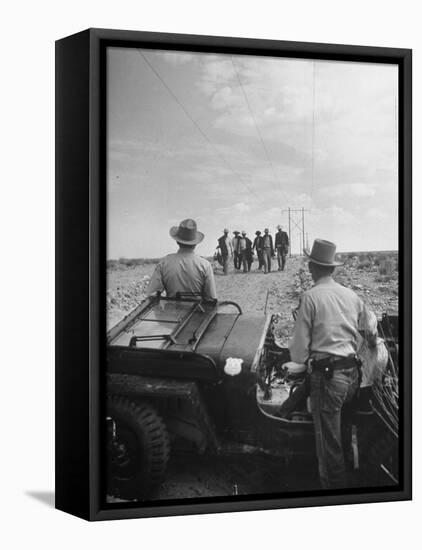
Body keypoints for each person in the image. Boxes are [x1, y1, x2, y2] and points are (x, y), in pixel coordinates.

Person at [288, 239, 377, 489]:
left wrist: (299, 361)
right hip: (352, 376)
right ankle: (354, 474)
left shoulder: (311, 297)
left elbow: (298, 351)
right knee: (345, 429)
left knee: (328, 447)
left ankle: (335, 494)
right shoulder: (351, 295)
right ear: (333, 268)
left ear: (312, 267)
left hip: (328, 379)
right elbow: (367, 332)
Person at [147, 218, 217, 300]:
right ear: (196, 243)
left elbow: (152, 293)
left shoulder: (164, 262)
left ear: (177, 241)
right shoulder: (205, 265)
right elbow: (211, 298)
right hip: (197, 311)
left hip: (171, 311)